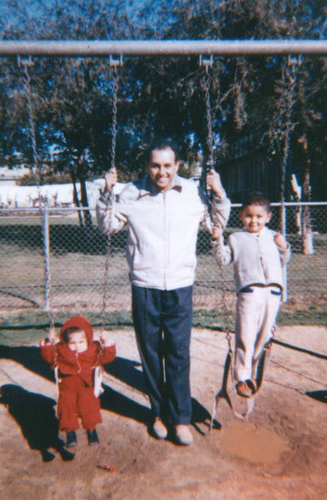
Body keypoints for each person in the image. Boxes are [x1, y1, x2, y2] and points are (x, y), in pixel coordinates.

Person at [96, 138, 230, 445]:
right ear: (147, 166)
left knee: (179, 353)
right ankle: (157, 414)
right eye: (155, 165)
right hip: (145, 285)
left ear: (177, 166)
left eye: (168, 165)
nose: (161, 172)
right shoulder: (131, 193)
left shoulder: (194, 193)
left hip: (180, 285)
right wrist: (107, 192)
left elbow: (216, 223)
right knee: (152, 354)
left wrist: (218, 192)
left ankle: (181, 418)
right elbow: (106, 226)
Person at [212, 192, 290, 398]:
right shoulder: (236, 238)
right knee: (246, 334)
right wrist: (217, 239)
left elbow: (284, 261)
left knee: (264, 335)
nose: (253, 220)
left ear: (268, 217)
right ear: (241, 216)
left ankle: (252, 374)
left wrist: (284, 247)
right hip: (249, 291)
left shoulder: (274, 236)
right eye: (248, 216)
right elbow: (222, 260)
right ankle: (240, 377)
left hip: (272, 292)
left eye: (258, 216)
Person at [39, 315, 116, 448]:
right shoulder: (60, 350)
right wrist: (48, 343)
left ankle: (91, 429)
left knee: (89, 403)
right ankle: (70, 432)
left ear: (88, 341)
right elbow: (48, 358)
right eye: (72, 343)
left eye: (81, 342)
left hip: (88, 385)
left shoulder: (94, 350)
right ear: (66, 342)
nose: (76, 346)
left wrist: (107, 342)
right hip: (67, 386)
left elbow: (108, 357)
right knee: (66, 404)